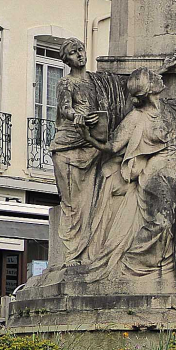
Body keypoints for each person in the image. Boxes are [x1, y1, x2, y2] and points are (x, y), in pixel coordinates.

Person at [81, 67, 176, 290]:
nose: (159, 77)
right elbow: (112, 146)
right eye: (153, 76)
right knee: (162, 221)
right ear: (147, 89)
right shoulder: (136, 118)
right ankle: (136, 263)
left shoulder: (175, 107)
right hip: (158, 174)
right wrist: (87, 135)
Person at [49, 39, 126, 264]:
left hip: (92, 145)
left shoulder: (96, 81)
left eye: (80, 50)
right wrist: (78, 117)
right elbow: (65, 109)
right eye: (73, 53)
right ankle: (72, 252)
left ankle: (91, 251)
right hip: (69, 145)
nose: (80, 56)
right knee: (72, 202)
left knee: (91, 201)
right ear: (67, 59)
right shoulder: (66, 83)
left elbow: (126, 86)